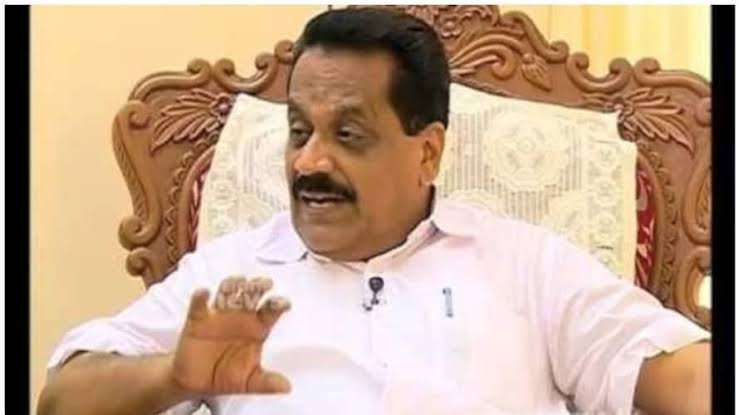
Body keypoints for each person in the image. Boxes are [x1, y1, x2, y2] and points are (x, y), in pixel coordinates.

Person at [37, 7, 710, 415]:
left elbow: (683, 376)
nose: (309, 162)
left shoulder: (525, 265)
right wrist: (173, 376)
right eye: (299, 131)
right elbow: (62, 400)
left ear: (427, 152)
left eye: (348, 135)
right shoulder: (234, 276)